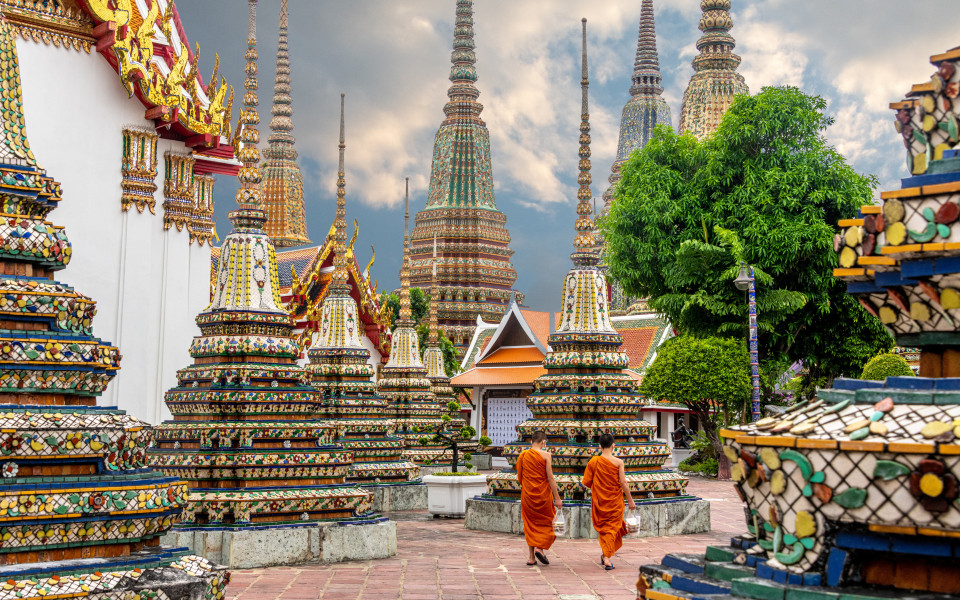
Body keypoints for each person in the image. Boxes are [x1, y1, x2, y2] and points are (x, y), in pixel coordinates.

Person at [582, 432, 636, 570]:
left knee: (607, 530)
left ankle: (605, 554)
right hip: (615, 502)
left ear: (599, 446)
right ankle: (607, 557)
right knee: (611, 529)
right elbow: (624, 483)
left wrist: (599, 487)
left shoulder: (593, 462)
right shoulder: (618, 462)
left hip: (600, 502)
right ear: (613, 446)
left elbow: (587, 482)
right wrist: (630, 500)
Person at [515, 430, 563, 566]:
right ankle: (539, 548)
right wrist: (557, 498)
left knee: (530, 525)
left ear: (531, 441)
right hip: (543, 497)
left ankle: (531, 558)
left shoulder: (523, 455)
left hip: (528, 496)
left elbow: (520, 477)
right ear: (544, 442)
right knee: (549, 523)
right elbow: (550, 478)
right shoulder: (546, 455)